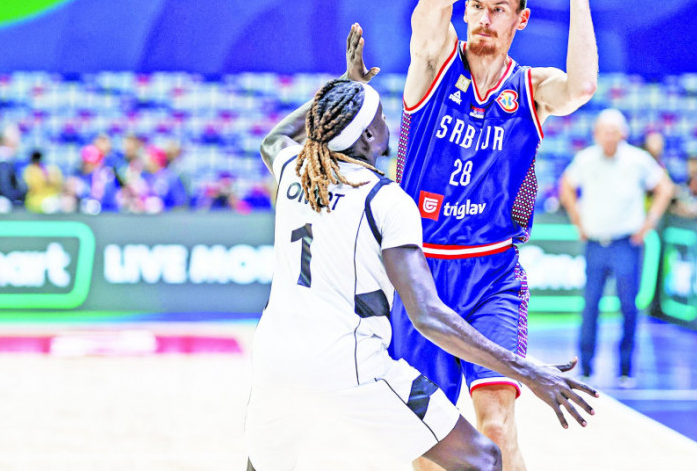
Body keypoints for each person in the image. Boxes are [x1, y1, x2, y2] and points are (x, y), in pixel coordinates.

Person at [248, 32, 597, 471]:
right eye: (381, 116)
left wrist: (345, 86)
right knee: (484, 458)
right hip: (350, 363)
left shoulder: (295, 172)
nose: (390, 123)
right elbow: (427, 314)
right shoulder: (385, 199)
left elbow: (275, 138)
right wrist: (526, 369)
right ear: (371, 135)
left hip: (275, 357)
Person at [382, 0, 617, 469]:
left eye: (499, 9)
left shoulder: (531, 88)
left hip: (492, 276)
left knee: (496, 424)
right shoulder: (434, 64)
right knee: (427, 442)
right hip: (421, 275)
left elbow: (582, 87)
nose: (484, 19)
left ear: (520, 20)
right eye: (477, 7)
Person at [558, 109, 673, 386]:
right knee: (590, 306)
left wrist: (649, 223)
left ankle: (625, 369)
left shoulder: (638, 160)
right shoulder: (585, 159)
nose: (609, 136)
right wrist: (576, 219)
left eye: (614, 131)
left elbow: (665, 188)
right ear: (596, 134)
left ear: (623, 133)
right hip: (595, 243)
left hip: (626, 244)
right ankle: (585, 368)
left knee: (629, 306)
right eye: (604, 131)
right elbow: (565, 185)